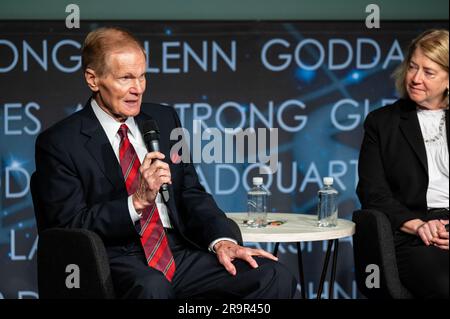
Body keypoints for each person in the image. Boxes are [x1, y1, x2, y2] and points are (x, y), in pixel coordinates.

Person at [33, 26, 297, 299]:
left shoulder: (163, 119)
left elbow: (190, 193)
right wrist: (136, 201)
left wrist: (222, 241)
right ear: (93, 79)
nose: (138, 89)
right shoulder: (60, 142)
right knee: (153, 288)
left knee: (273, 276)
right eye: (125, 78)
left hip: (178, 251)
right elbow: (69, 225)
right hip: (116, 258)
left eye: (142, 76)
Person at [357, 29, 449, 298]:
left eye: (429, 72)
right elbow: (372, 193)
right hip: (414, 235)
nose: (416, 78)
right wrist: (418, 224)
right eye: (412, 67)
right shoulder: (382, 123)